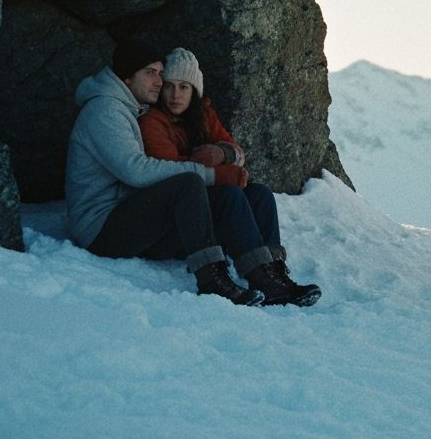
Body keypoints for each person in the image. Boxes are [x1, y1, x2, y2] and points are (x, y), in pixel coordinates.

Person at [65, 37, 263, 307]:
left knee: (247, 195)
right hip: (100, 228)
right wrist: (212, 174)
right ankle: (212, 279)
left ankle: (266, 275)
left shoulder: (127, 107)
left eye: (161, 74)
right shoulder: (105, 111)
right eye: (151, 73)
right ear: (127, 76)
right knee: (188, 184)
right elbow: (136, 171)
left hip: (128, 214)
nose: (159, 82)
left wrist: (222, 157)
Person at [139, 47, 321, 308]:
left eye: (184, 87)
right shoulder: (153, 122)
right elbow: (173, 171)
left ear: (195, 91)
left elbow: (237, 151)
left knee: (259, 194)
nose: (175, 95)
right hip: (180, 220)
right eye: (169, 86)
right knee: (230, 194)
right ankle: (261, 278)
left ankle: (274, 271)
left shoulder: (202, 116)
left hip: (202, 206)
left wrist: (220, 151)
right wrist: (227, 172)